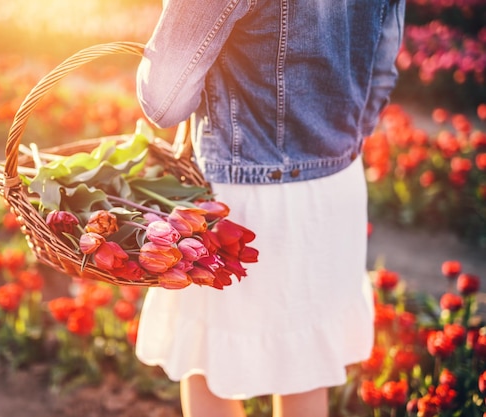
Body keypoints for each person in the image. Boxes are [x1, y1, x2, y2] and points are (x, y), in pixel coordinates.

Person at [134, 1, 406, 416]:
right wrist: (332, 141)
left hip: (240, 197)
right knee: (304, 365)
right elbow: (382, 74)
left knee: (211, 365)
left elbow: (164, 101)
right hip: (334, 189)